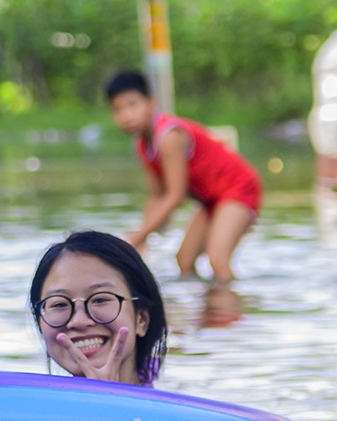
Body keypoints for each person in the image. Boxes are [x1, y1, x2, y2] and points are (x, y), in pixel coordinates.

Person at [106, 70, 261, 284]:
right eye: (117, 109)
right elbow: (156, 196)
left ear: (152, 102)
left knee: (218, 260)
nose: (126, 115)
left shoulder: (169, 136)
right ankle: (206, 313)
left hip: (237, 187)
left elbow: (176, 195)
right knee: (184, 262)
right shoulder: (142, 145)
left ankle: (232, 313)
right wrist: (143, 239)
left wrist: (138, 237)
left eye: (133, 105)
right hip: (211, 199)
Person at [29, 230, 168, 386]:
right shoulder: (25, 408)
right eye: (59, 304)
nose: (79, 321)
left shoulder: (176, 408)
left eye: (100, 299)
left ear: (141, 319)